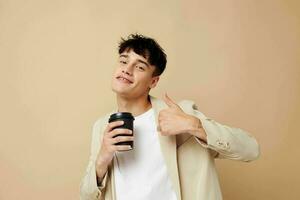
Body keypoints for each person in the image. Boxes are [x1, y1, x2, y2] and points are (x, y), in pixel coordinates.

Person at [79, 33, 260, 200]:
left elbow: (250, 149)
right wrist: (102, 160)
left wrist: (195, 126)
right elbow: (86, 196)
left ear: (153, 81)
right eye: (123, 61)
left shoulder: (179, 116)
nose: (127, 69)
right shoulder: (102, 126)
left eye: (140, 66)